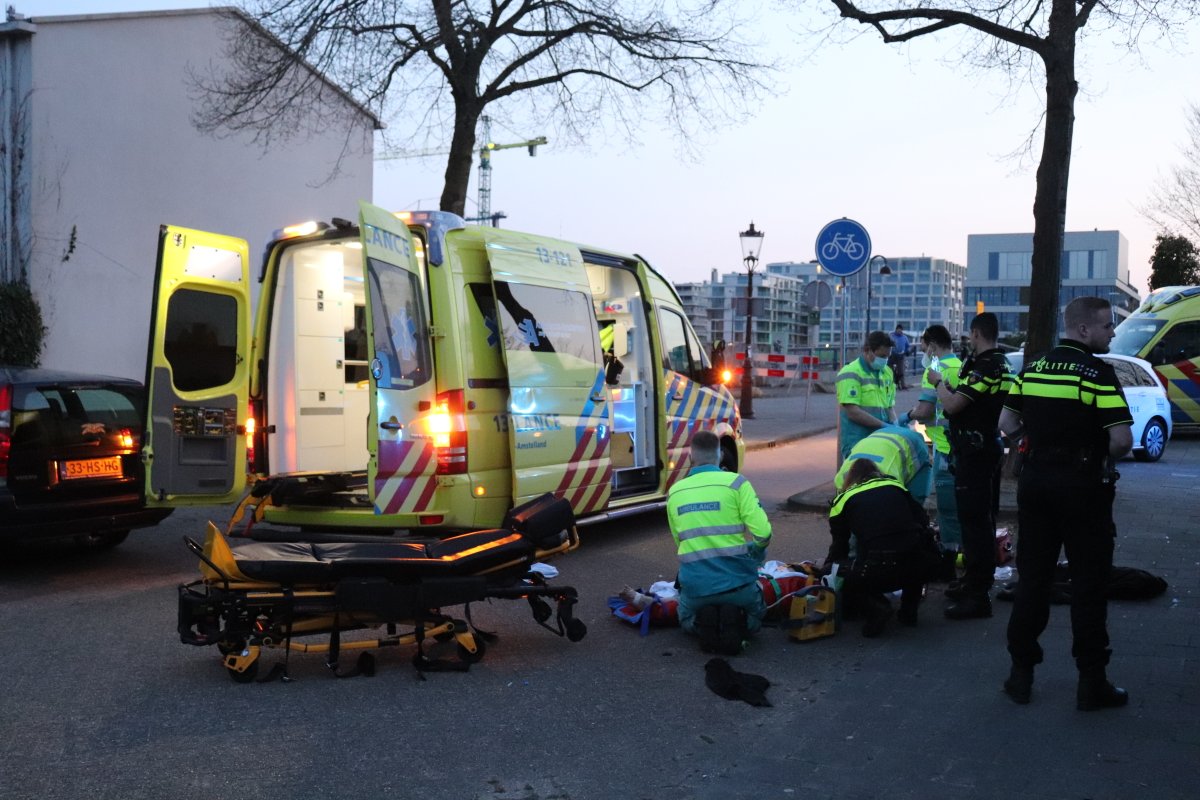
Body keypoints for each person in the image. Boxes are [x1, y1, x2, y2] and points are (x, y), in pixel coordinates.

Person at [998, 297, 1133, 710]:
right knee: (1089, 585)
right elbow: (1122, 441)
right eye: (1108, 326)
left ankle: (1021, 674)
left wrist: (1036, 436)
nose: (1112, 333)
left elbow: (1006, 425)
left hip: (1036, 484)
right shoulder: (1098, 374)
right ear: (1084, 330)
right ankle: (1092, 683)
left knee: (1033, 580)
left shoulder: (1033, 368)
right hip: (1082, 488)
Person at [927, 312, 1012, 620]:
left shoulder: (987, 366)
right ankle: (972, 582)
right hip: (985, 448)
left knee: (975, 523)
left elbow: (952, 406)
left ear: (977, 334)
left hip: (976, 453)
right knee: (981, 518)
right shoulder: (1002, 363)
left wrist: (938, 384)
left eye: (970, 335)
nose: (968, 340)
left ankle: (978, 595)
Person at [667, 430, 772, 651]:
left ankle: (702, 624)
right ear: (721, 455)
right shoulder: (736, 484)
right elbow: (763, 533)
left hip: (696, 588)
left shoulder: (674, 492)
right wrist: (756, 550)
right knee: (758, 613)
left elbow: (681, 541)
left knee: (684, 619)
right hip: (739, 587)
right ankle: (738, 622)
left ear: (691, 456)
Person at [825, 460, 942, 637]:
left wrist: (825, 569)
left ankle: (876, 607)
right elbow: (922, 521)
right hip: (918, 566)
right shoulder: (896, 486)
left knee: (839, 571)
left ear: (850, 479)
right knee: (915, 549)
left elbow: (839, 548)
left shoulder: (843, 500)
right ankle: (909, 612)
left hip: (878, 570)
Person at [904, 324, 965, 574]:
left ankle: (950, 563)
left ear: (931, 345)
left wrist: (906, 416)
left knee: (948, 510)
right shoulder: (961, 366)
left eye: (923, 347)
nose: (923, 352)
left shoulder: (936, 368)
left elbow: (926, 410)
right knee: (965, 506)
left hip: (944, 447)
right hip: (964, 445)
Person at [836, 331, 897, 463]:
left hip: (881, 440)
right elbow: (852, 412)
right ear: (867, 350)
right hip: (858, 442)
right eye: (882, 356)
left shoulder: (887, 372)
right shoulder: (850, 373)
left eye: (887, 356)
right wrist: (884, 426)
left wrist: (895, 424)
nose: (885, 360)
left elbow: (889, 407)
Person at [833, 424, 932, 503]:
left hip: (913, 443)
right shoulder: (840, 482)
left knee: (913, 505)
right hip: (882, 438)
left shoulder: (890, 483)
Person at [889, 325, 911, 389]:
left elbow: (907, 346)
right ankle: (892, 384)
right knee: (890, 370)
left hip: (901, 355)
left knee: (901, 371)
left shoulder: (904, 337)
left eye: (900, 330)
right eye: (898, 329)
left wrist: (907, 351)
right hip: (892, 355)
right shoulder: (892, 336)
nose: (899, 331)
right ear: (896, 330)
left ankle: (903, 385)